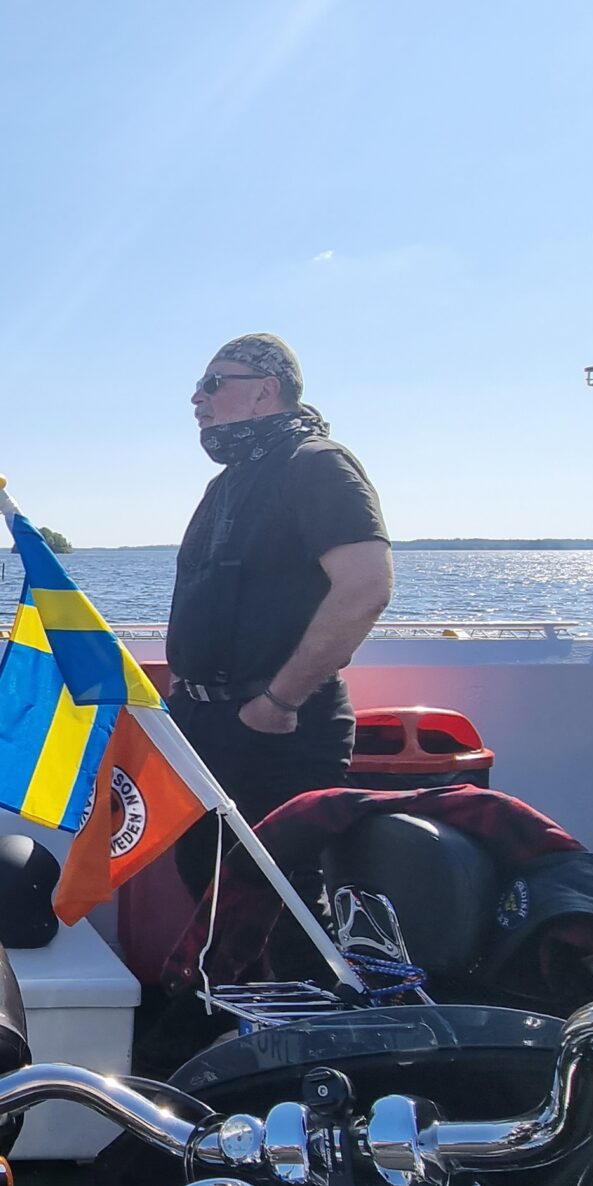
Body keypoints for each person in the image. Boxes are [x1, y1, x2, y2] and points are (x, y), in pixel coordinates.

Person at [165, 334, 392, 891]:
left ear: (265, 391)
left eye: (213, 383)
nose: (197, 398)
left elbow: (366, 586)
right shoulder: (228, 483)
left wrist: (278, 702)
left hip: (276, 730)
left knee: (282, 903)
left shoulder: (317, 465)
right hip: (205, 726)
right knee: (208, 891)